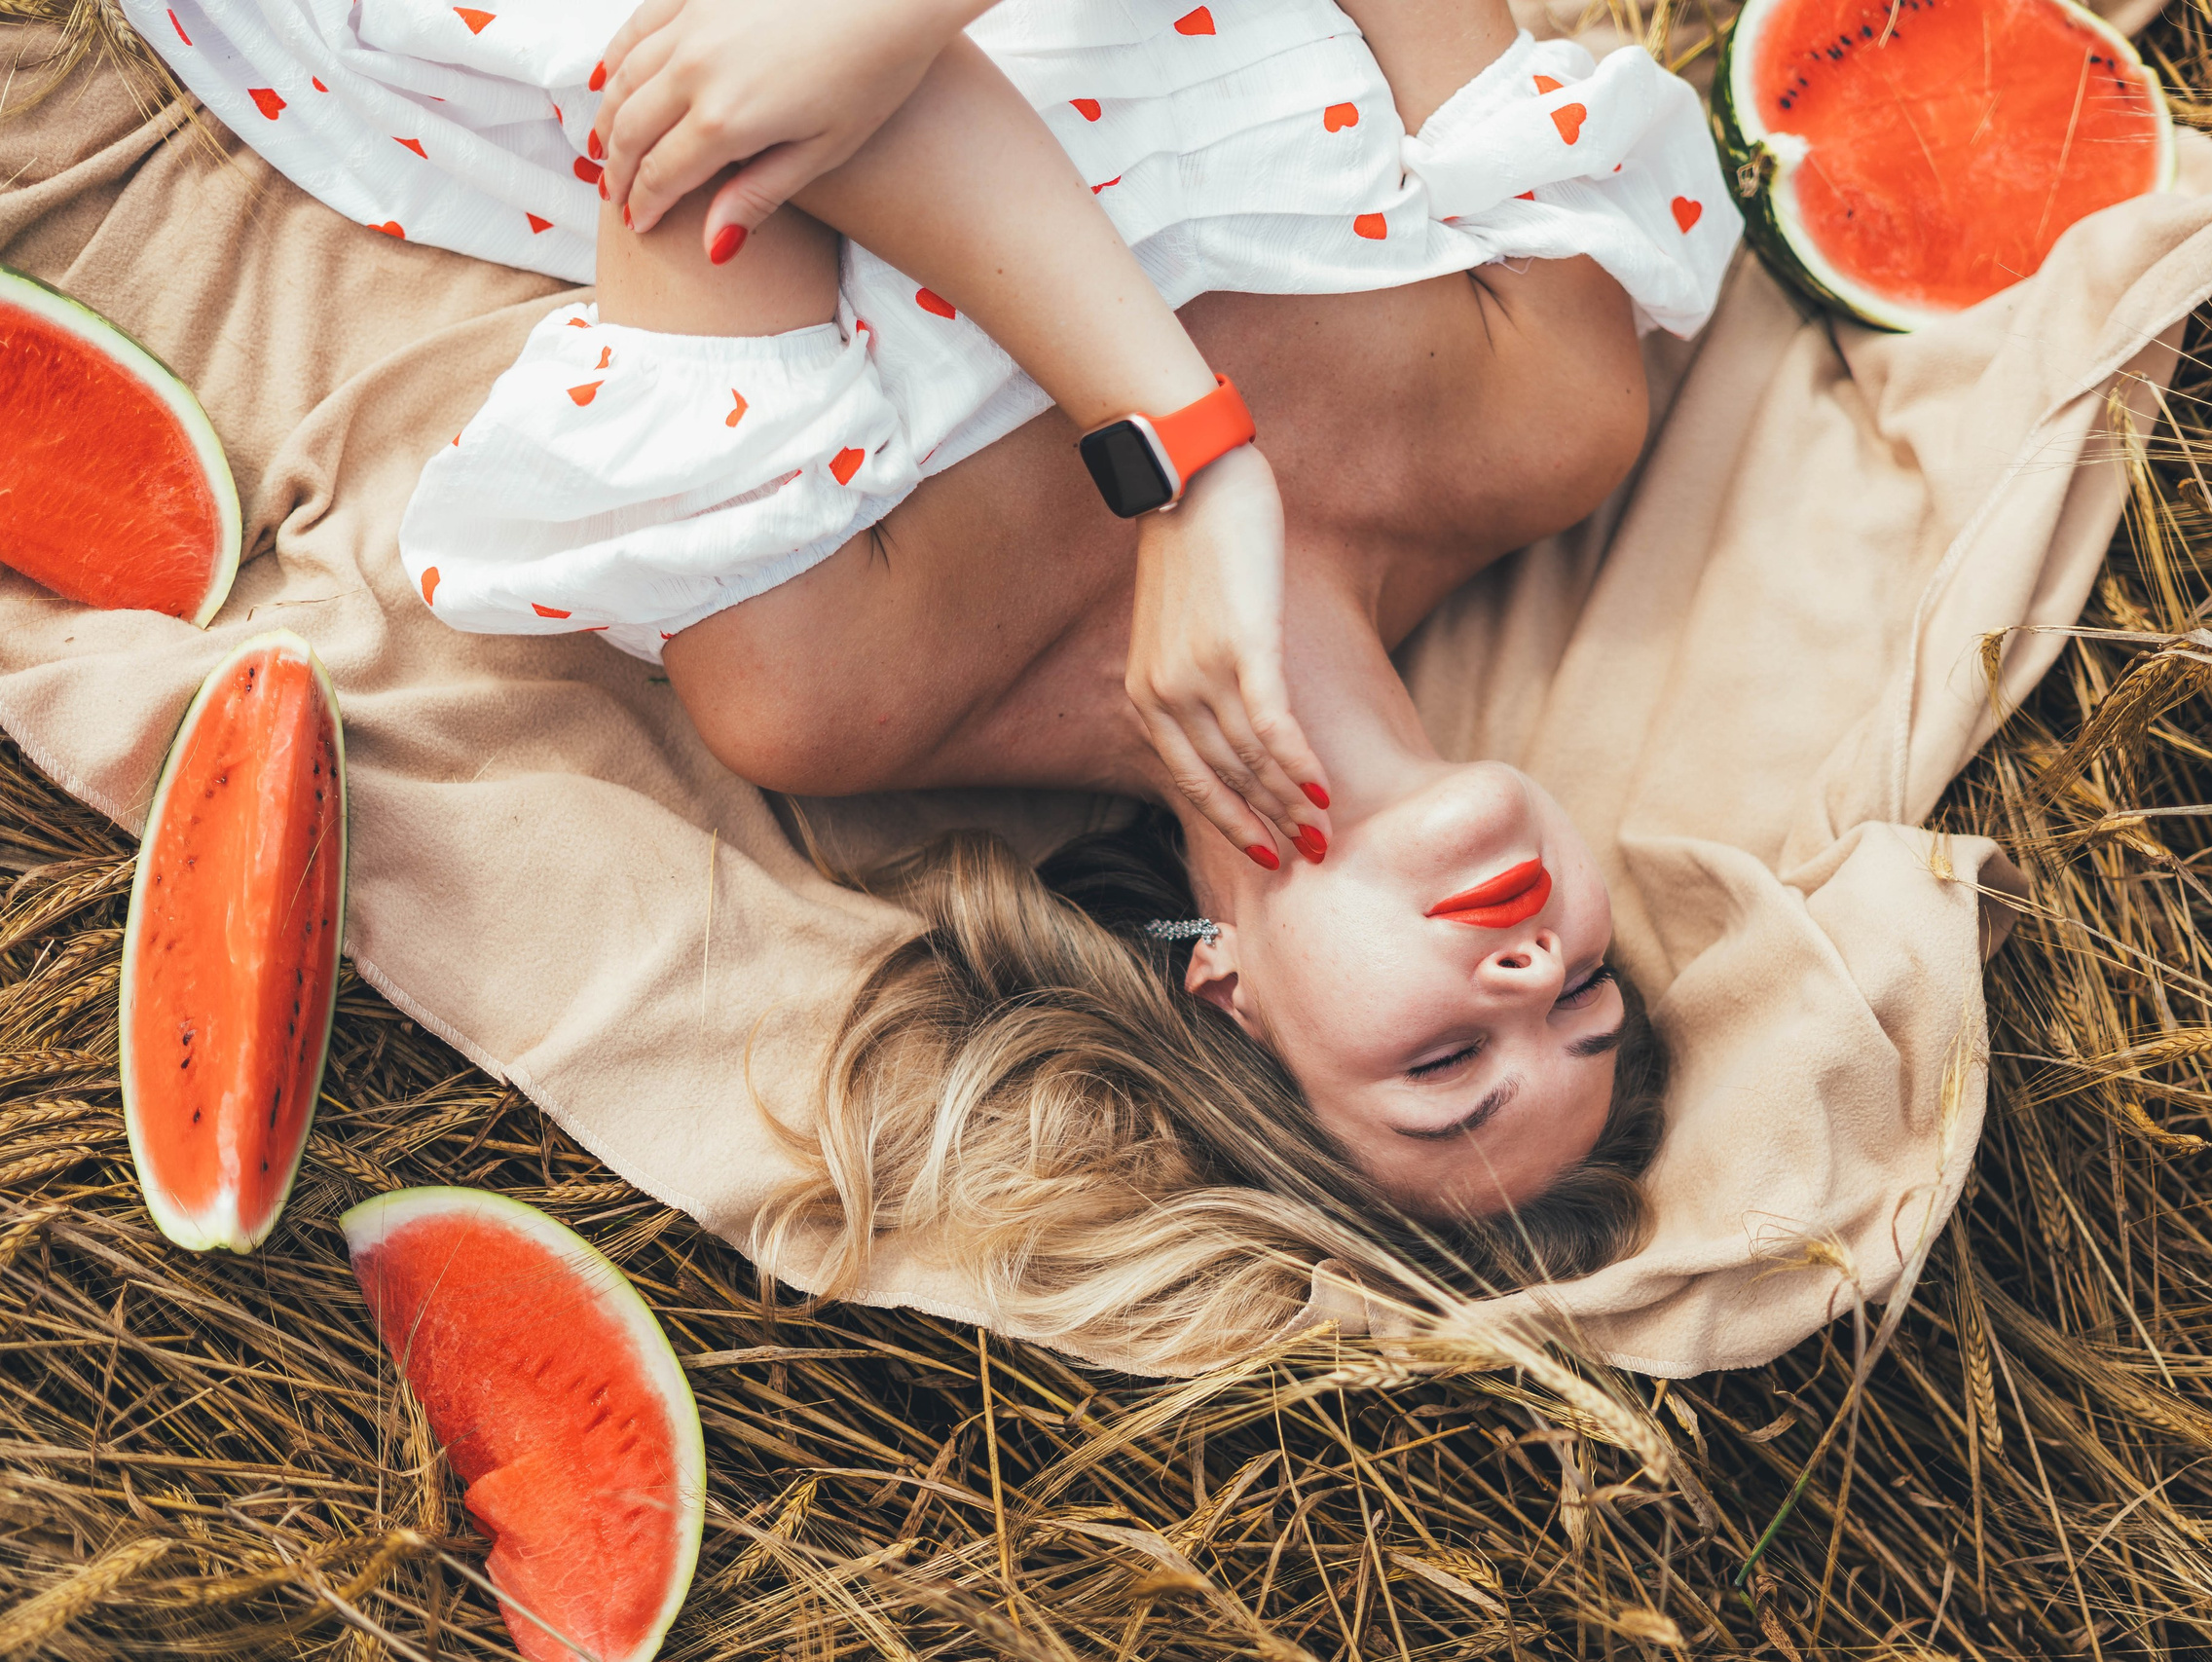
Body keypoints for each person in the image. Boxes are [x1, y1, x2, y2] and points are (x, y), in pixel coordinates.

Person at [128, 0, 1738, 1359]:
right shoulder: (1557, 414)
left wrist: (1185, 447)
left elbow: (723, 104)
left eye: (1447, 1069)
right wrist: (1177, 455)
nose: (1532, 983)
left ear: (1232, 1001)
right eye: (1592, 996)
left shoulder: (838, 690)